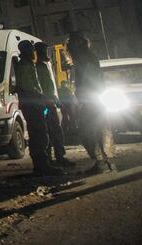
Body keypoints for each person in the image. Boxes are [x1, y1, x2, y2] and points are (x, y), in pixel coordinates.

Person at [66, 31, 114, 174]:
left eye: (73, 42)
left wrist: (82, 95)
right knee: (94, 131)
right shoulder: (85, 57)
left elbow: (90, 80)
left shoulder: (85, 58)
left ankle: (101, 162)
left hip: (91, 100)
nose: (70, 46)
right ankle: (102, 162)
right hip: (93, 99)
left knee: (89, 131)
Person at [15, 41, 63, 176]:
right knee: (39, 136)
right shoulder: (25, 66)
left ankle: (43, 165)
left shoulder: (29, 65)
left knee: (41, 135)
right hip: (33, 106)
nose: (33, 52)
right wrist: (45, 99)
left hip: (35, 105)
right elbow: (30, 88)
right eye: (31, 50)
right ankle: (42, 166)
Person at [34, 41, 75, 168]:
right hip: (45, 104)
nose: (46, 53)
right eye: (44, 51)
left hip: (51, 102)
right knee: (49, 131)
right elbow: (42, 87)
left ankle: (58, 156)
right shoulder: (38, 67)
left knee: (55, 130)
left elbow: (50, 86)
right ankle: (52, 158)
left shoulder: (46, 65)